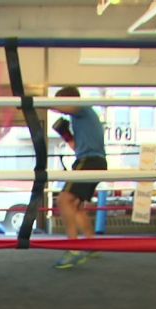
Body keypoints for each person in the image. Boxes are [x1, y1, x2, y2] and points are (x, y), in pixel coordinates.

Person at [49, 86, 107, 269]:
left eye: (61, 103)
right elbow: (77, 147)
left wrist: (39, 103)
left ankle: (73, 249)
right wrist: (66, 135)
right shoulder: (80, 119)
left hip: (89, 162)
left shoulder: (84, 109)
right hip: (93, 161)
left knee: (63, 200)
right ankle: (91, 244)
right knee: (76, 206)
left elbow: (68, 107)